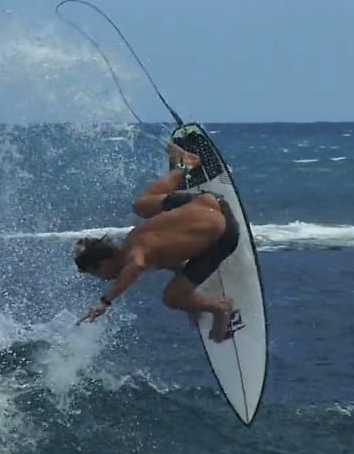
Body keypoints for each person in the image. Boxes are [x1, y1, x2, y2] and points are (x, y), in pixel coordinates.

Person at [73, 141, 239, 342]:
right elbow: (177, 267)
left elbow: (137, 265)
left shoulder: (135, 256)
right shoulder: (133, 238)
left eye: (97, 274)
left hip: (225, 234)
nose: (103, 279)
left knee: (169, 298)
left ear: (104, 263)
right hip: (212, 201)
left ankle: (221, 307)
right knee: (140, 205)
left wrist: (104, 303)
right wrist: (190, 303)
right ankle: (185, 165)